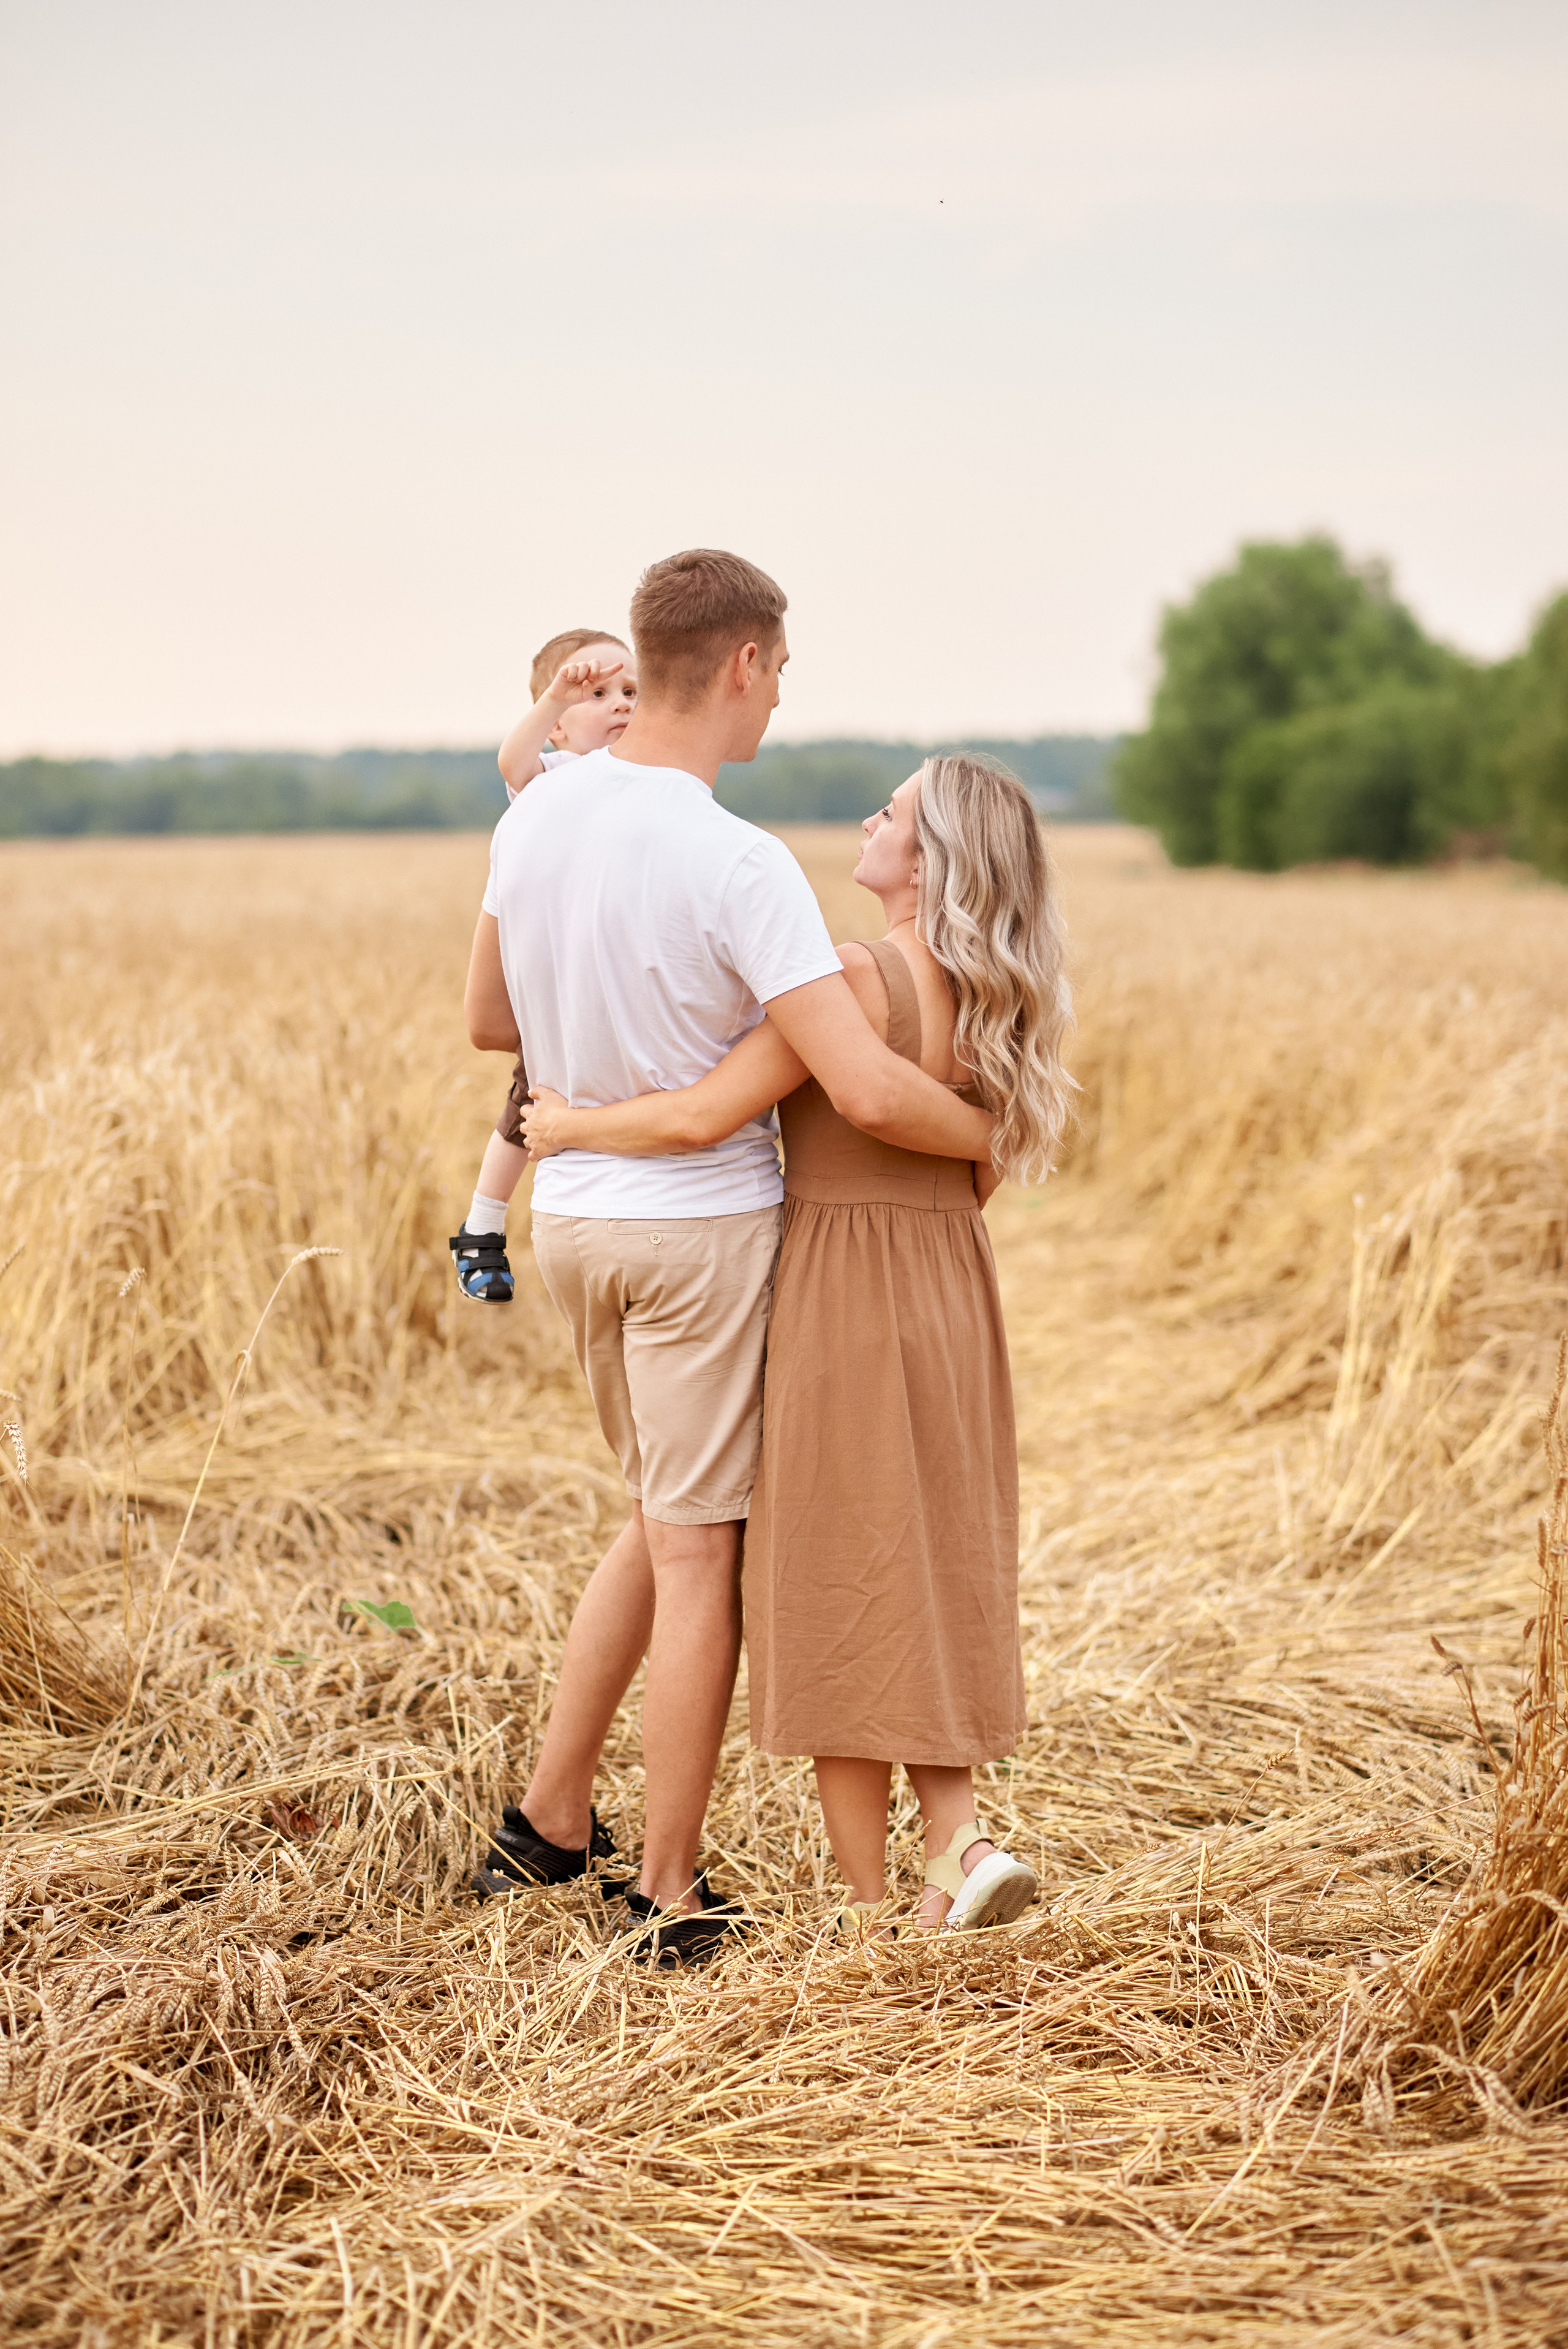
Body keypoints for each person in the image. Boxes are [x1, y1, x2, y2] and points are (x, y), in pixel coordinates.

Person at [463, 548, 997, 1962]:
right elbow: (868, 1092)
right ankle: (669, 1887)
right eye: (783, 671)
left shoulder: (538, 818)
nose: (779, 699)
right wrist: (988, 1135)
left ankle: (551, 1811)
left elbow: (483, 1019)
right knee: (701, 1554)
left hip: (575, 1221)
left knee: (659, 1513)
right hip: (700, 1231)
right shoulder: (736, 857)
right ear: (746, 664)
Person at [522, 752, 1074, 1934]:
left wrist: (568, 1122)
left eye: (894, 810)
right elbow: (973, 1170)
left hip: (841, 1282)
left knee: (833, 1575)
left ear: (929, 861)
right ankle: (950, 1850)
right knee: (931, 1549)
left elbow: (704, 1111)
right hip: (948, 1283)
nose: (870, 820)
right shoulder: (995, 998)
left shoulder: (856, 979)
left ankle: (881, 1906)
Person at [448, 627, 636, 1305]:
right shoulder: (550, 779)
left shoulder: (646, 783)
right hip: (559, 988)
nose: (621, 705)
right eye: (598, 693)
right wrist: (555, 692)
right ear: (556, 726)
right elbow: (511, 760)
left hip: (612, 980)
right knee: (526, 1098)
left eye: (631, 692)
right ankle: (483, 1224)